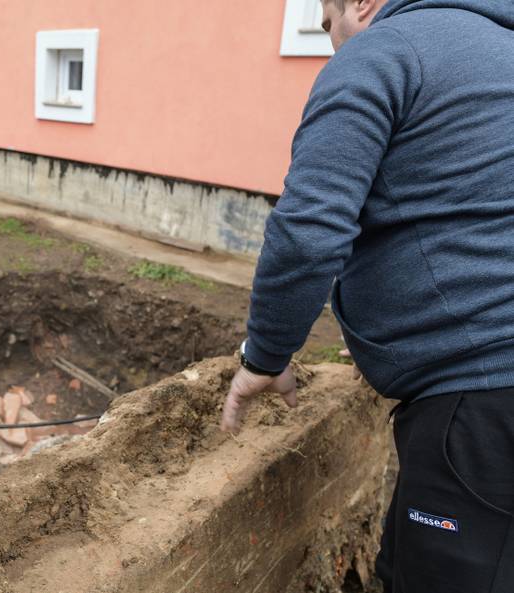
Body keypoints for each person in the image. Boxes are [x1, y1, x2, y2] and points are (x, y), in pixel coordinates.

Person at [220, 0, 514, 590]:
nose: (331, 41)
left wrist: (265, 357)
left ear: (359, 4)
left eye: (327, 24)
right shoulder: (498, 53)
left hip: (479, 397)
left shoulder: (383, 51)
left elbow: (308, 231)